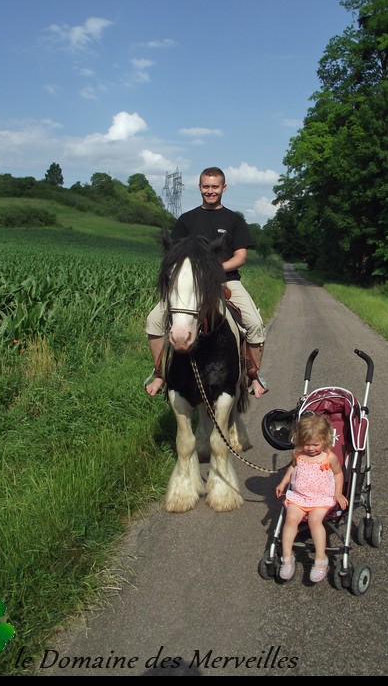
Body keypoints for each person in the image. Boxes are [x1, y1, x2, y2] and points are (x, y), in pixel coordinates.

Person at [144, 166, 269, 399]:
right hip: (190, 286)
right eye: (206, 187)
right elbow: (175, 254)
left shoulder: (234, 220)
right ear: (199, 187)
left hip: (227, 282)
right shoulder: (186, 220)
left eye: (215, 187)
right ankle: (160, 373)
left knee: (254, 324)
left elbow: (241, 257)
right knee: (153, 320)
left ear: (224, 188)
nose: (210, 191)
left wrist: (211, 270)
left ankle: (253, 376)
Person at [275, 412, 348, 583]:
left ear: (325, 440)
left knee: (314, 521)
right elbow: (292, 469)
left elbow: (338, 474)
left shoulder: (329, 457)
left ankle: (321, 560)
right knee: (291, 519)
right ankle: (287, 558)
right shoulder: (299, 454)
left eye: (316, 444)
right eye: (307, 444)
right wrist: (283, 483)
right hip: (299, 496)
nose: (311, 448)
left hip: (321, 498)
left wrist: (338, 493)